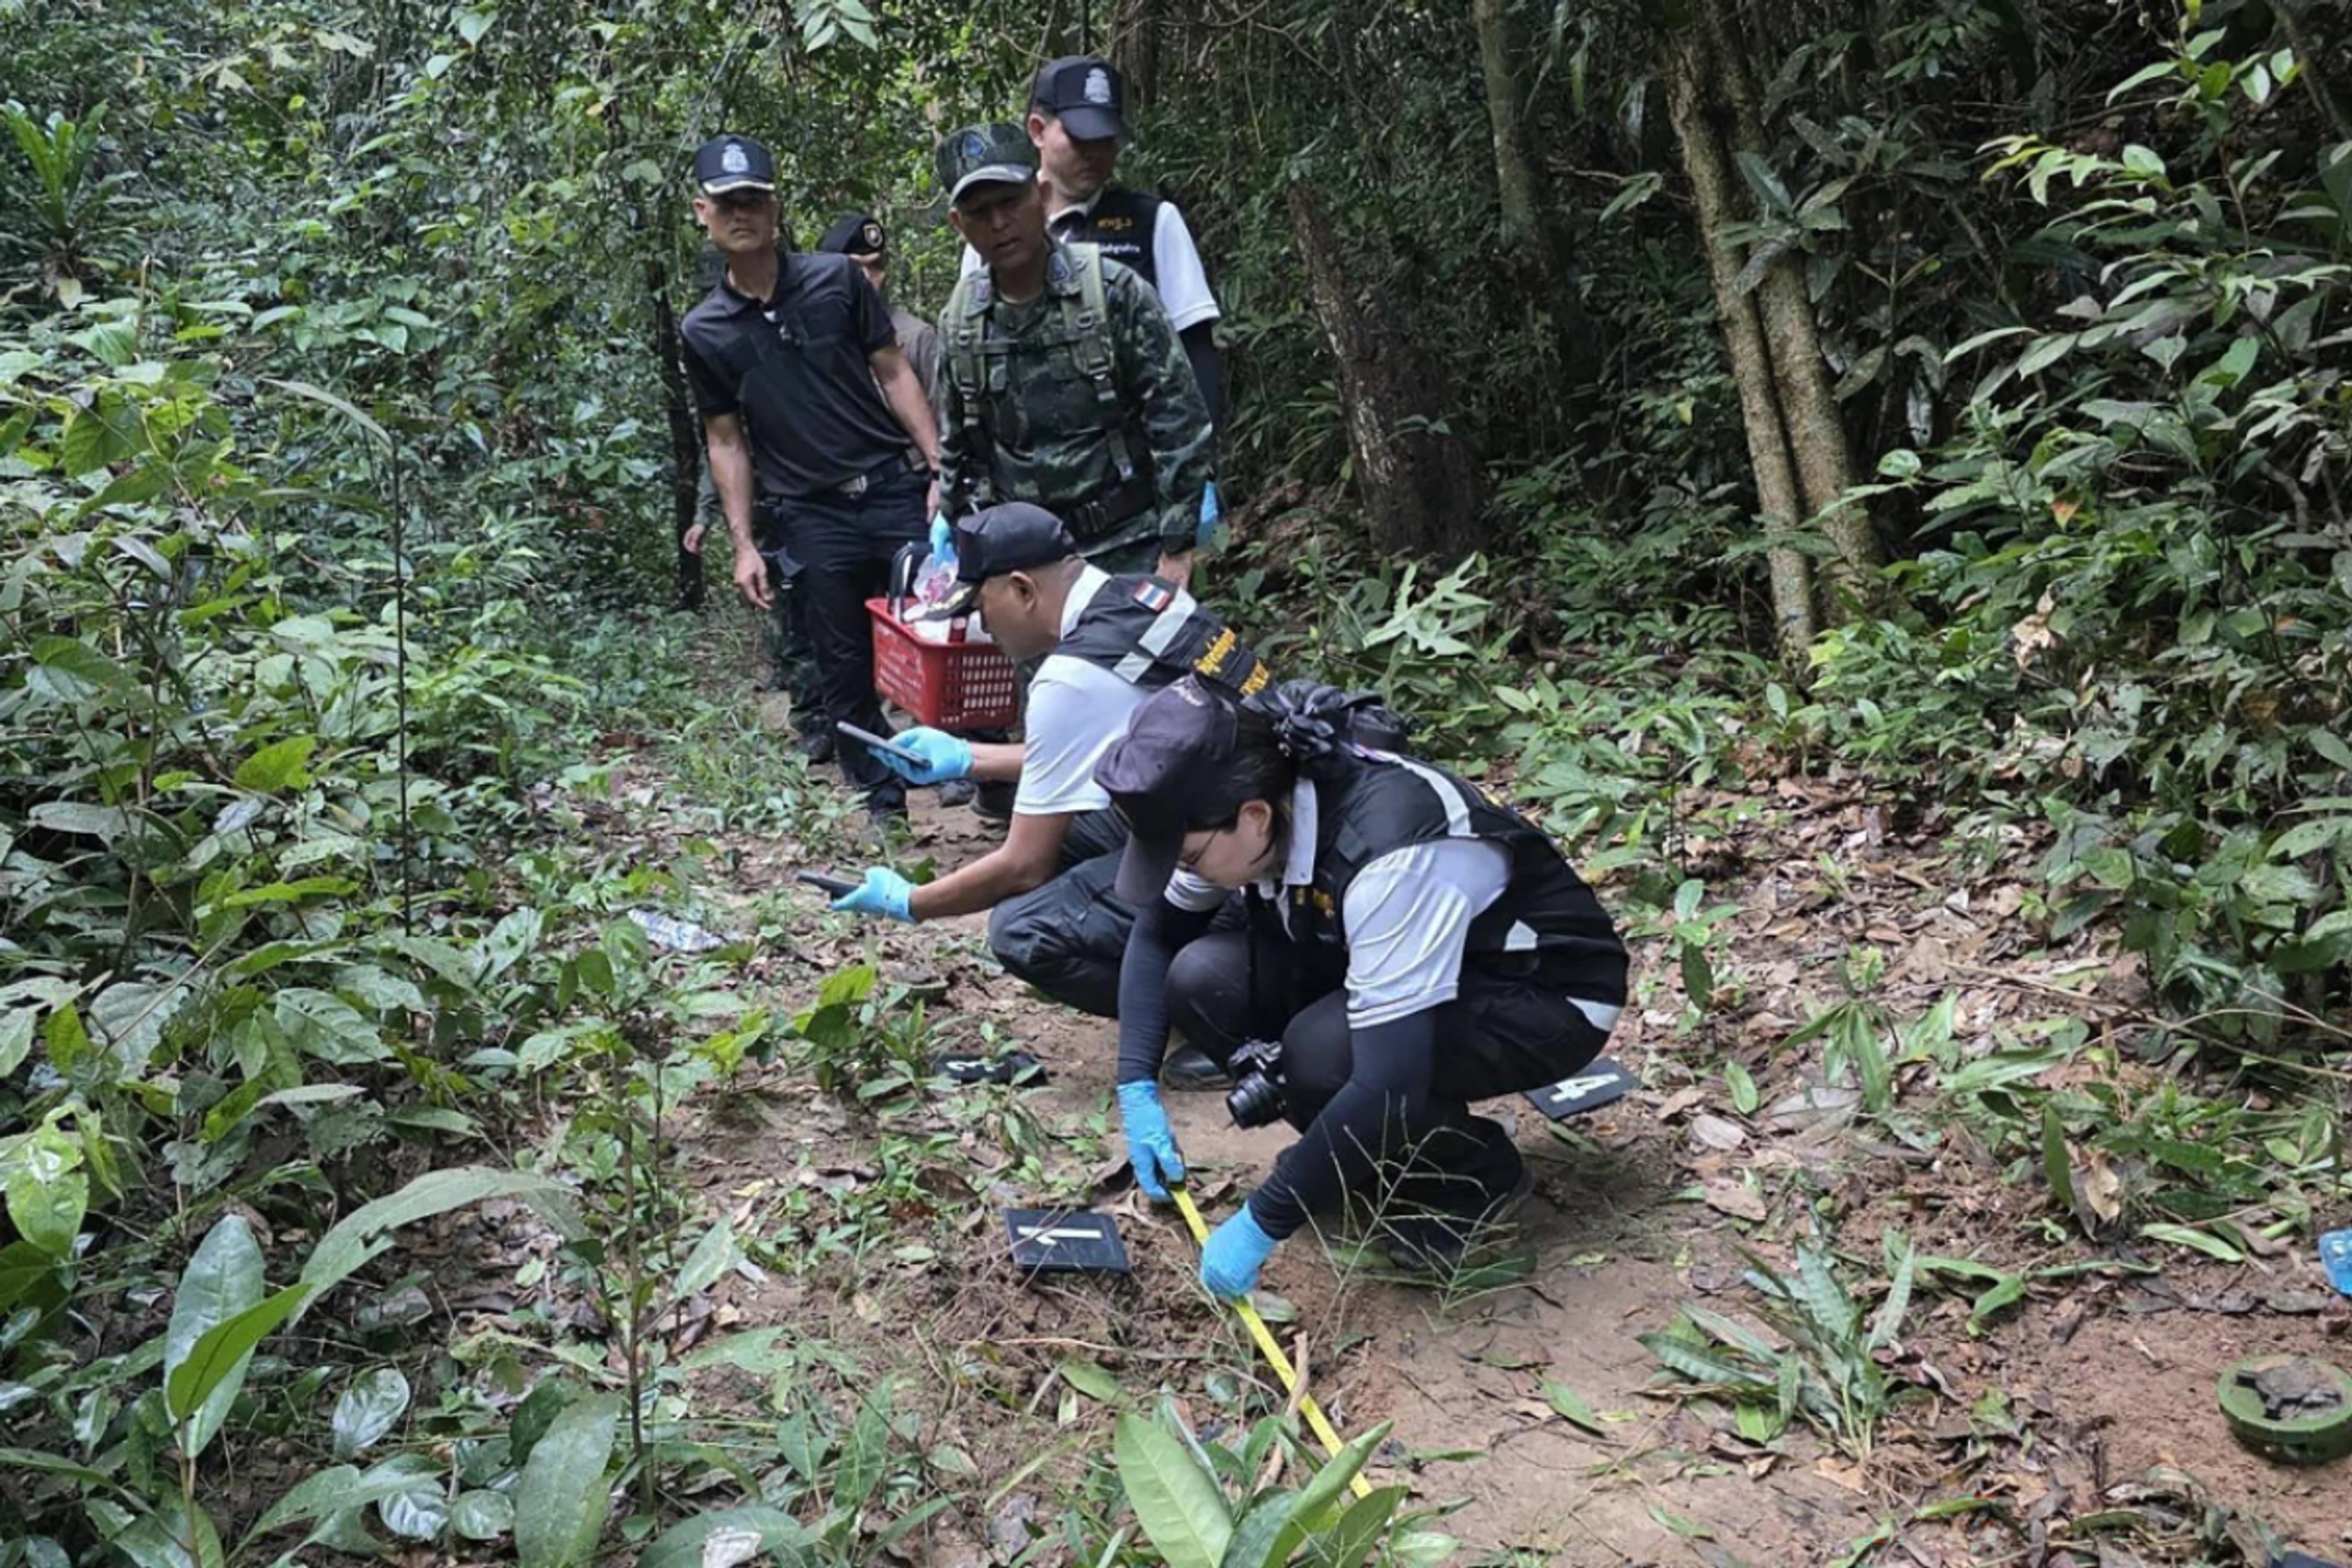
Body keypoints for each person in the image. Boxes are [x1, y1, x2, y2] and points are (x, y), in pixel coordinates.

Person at [1094, 678, 1631, 1294]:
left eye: (1187, 859)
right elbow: (1158, 934)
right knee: (1201, 980)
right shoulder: (1253, 807)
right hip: (1400, 959)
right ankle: (1368, 1155)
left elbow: (1388, 1081)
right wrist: (1136, 1084)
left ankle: (1473, 1172)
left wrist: (1263, 1219)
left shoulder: (1388, 854)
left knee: (1323, 1057)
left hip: (1544, 993)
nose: (1181, 872)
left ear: (1254, 816)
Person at [825, 502, 1257, 1088]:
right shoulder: (1145, 599)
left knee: (1022, 929)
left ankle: (1231, 1020)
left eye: (982, 607)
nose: (982, 627)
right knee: (1069, 824)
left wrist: (912, 902)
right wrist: (968, 758)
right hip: (1259, 831)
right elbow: (1098, 747)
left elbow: (1023, 867)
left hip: (1236, 870)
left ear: (1023, 589)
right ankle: (1219, 975)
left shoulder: (1071, 677)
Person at [678, 133, 944, 835]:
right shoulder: (704, 331)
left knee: (939, 633)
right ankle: (882, 804)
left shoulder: (837, 279)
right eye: (728, 202)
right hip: (809, 512)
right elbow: (725, 437)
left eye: (754, 199)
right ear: (702, 212)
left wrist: (937, 464)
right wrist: (742, 542)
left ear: (774, 205)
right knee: (842, 663)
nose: (743, 213)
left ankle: (965, 776)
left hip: (889, 487)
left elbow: (893, 370)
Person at [934, 122, 1215, 587]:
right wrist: (959, 532)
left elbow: (1177, 420)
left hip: (1127, 547)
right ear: (958, 225)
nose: (999, 224)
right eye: (979, 212)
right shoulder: (962, 321)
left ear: (1041, 197)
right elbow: (958, 445)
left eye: (1009, 202)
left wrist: (1177, 546)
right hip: (1024, 566)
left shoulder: (1112, 292)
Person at [960, 56, 1225, 425]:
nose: (1095, 152)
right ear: (1037, 131)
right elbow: (968, 351)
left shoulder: (1153, 222)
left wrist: (1204, 465)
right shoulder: (994, 229)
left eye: (1106, 138)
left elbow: (1195, 348)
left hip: (1133, 456)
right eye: (1080, 137)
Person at [690, 460, 832, 762]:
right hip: (770, 526)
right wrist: (703, 517)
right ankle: (814, 724)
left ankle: (853, 719)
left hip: (826, 510)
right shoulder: (741, 417)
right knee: (791, 627)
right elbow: (719, 460)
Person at [816, 211, 939, 398]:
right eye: (855, 269)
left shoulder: (917, 338)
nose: (870, 279)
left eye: (876, 266)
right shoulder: (814, 340)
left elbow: (941, 419)